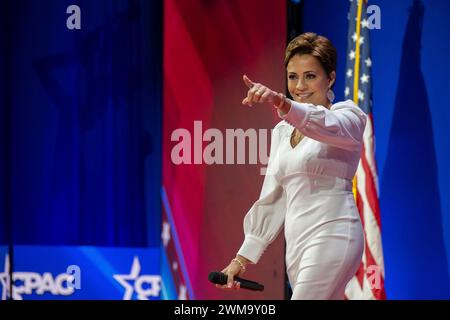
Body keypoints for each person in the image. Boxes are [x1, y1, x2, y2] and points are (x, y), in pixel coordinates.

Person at [216, 32, 366, 299]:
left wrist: (281, 103)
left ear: (330, 78)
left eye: (310, 76)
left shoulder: (348, 116)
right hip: (297, 245)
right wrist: (241, 259)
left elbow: (324, 124)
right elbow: (274, 198)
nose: (299, 86)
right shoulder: (282, 132)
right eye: (292, 77)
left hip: (335, 233)